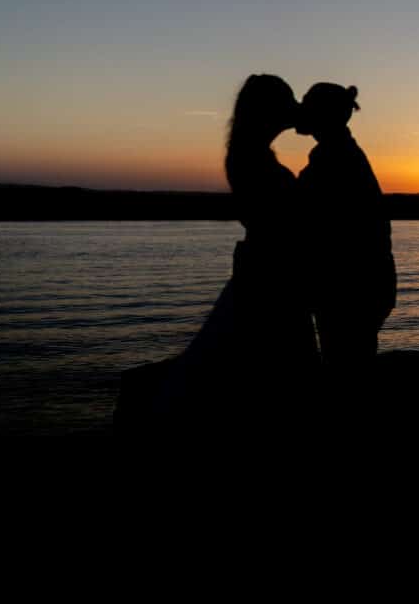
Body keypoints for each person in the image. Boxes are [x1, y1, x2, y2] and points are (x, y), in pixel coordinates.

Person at [158, 74, 317, 426]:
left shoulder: (248, 154)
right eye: (286, 101)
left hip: (267, 271)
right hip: (271, 278)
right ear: (268, 110)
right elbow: (281, 223)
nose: (293, 107)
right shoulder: (253, 161)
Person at [296, 83, 396, 367]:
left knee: (345, 366)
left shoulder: (335, 158)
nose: (300, 109)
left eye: (306, 103)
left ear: (322, 113)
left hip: (350, 290)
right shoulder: (337, 153)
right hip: (360, 287)